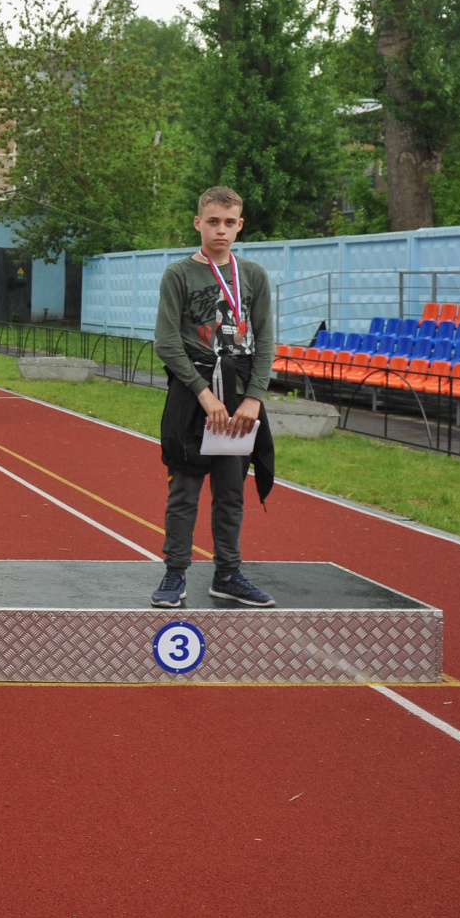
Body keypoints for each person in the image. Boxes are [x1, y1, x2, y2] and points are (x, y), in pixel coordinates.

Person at [150, 186, 277, 609]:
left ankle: (228, 574)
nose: (220, 230)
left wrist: (254, 398)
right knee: (184, 488)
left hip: (240, 394)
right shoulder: (179, 274)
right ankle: (175, 572)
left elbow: (266, 342)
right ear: (198, 223)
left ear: (240, 225)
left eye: (229, 223)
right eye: (212, 222)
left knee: (230, 490)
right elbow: (167, 343)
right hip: (193, 393)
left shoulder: (254, 276)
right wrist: (203, 394)